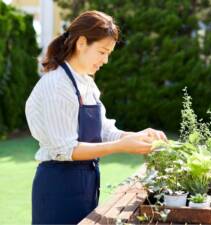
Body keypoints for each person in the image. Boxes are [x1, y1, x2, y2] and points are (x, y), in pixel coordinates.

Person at [25, 10, 167, 225]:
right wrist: (121, 146)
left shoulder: (87, 84)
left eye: (108, 53)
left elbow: (104, 131)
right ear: (81, 43)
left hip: (87, 184)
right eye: (102, 51)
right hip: (59, 188)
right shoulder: (57, 85)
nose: (106, 60)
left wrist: (139, 136)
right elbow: (65, 150)